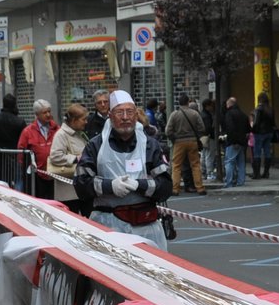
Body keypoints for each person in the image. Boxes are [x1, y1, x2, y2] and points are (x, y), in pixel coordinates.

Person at [74, 90, 173, 247]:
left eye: (130, 112)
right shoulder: (96, 146)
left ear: (136, 115)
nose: (125, 117)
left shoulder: (149, 145)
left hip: (146, 229)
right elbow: (81, 184)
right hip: (107, 228)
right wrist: (110, 186)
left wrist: (140, 185)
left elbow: (166, 187)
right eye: (120, 112)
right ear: (110, 115)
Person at [47, 102, 90, 214]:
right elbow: (55, 156)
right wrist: (76, 158)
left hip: (79, 188)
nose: (86, 122)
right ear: (74, 120)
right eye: (83, 119)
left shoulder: (78, 133)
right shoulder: (61, 135)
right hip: (68, 192)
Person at [165, 94, 207, 195]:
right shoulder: (195, 114)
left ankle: (175, 188)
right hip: (192, 141)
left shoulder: (174, 114)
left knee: (176, 165)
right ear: (188, 102)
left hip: (179, 142)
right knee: (195, 165)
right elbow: (202, 128)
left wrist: (174, 138)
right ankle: (200, 187)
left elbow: (168, 131)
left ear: (178, 102)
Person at [18, 99, 57, 199]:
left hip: (55, 174)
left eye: (49, 111)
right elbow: (21, 153)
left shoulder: (56, 128)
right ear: (37, 114)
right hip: (36, 176)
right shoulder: (28, 131)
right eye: (45, 112)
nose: (48, 114)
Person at [221, 95, 250, 189]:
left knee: (229, 162)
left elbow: (230, 128)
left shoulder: (229, 114)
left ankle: (228, 183)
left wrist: (233, 141)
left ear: (229, 104)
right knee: (241, 163)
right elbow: (248, 129)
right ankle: (241, 181)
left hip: (233, 142)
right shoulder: (243, 114)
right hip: (242, 142)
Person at [251, 92, 276, 179]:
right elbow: (273, 123)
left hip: (259, 133)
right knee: (267, 152)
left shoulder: (258, 109)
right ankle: (266, 172)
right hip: (269, 132)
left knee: (257, 153)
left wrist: (252, 130)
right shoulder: (270, 109)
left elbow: (256, 122)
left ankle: (257, 174)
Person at [200, 97, 221, 181]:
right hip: (209, 137)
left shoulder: (201, 114)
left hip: (203, 137)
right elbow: (209, 127)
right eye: (211, 106)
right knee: (209, 156)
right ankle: (209, 172)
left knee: (204, 155)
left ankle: (204, 172)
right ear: (207, 106)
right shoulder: (207, 116)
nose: (212, 107)